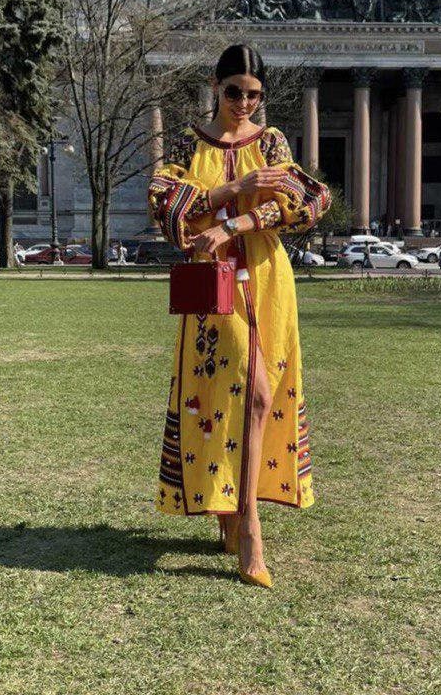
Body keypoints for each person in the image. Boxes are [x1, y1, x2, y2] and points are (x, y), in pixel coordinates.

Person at [148, 43, 331, 588]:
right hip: (212, 285)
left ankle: (242, 512)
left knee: (260, 391)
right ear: (215, 87)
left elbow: (308, 198)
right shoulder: (190, 141)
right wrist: (233, 189)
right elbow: (164, 200)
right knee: (224, 391)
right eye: (234, 92)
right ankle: (239, 518)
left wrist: (236, 222)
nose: (244, 103)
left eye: (254, 94)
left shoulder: (271, 142)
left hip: (267, 277)